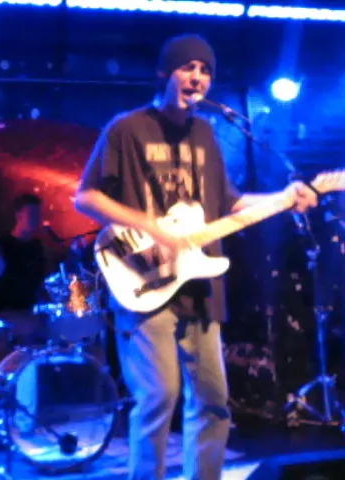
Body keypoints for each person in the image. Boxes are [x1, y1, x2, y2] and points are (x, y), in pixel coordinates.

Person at [74, 33, 318, 480]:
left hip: (200, 285)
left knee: (212, 402)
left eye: (205, 70)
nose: (198, 76)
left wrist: (284, 198)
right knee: (158, 397)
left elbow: (230, 203)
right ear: (164, 73)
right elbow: (86, 196)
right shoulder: (127, 129)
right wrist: (150, 227)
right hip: (143, 277)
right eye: (188, 67)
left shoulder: (206, 133)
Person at [0, 192, 49, 345]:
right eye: (32, 214)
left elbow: (43, 285)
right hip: (6, 315)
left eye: (39, 214)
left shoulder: (39, 247)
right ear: (18, 216)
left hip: (31, 312)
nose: (37, 219)